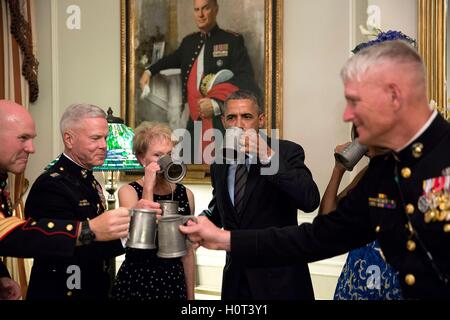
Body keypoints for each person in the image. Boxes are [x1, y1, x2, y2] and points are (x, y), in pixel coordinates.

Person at [181, 40, 450, 299]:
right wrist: (225, 239)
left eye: (356, 102)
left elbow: (306, 199)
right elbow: (318, 237)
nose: (347, 116)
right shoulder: (383, 171)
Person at [0, 100, 137, 300]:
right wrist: (97, 230)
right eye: (95, 138)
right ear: (69, 139)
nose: (104, 145)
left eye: (105, 138)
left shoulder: (88, 179)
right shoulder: (52, 185)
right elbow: (57, 251)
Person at [200, 90, 320, 300]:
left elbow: (310, 200)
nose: (239, 124)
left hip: (281, 280)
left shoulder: (286, 151)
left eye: (246, 117)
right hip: (236, 281)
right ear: (223, 122)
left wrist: (267, 157)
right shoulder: (220, 161)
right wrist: (195, 222)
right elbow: (221, 210)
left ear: (261, 120)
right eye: (232, 117)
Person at [140, 0, 258, 163]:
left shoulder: (231, 40)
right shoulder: (189, 42)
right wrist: (149, 71)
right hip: (193, 117)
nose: (200, 14)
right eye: (197, 10)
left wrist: (216, 104)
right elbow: (171, 59)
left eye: (205, 8)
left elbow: (245, 79)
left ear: (215, 9)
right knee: (188, 161)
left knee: (221, 164)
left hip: (218, 120)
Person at [111, 122, 195, 300]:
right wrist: (148, 187)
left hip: (173, 281)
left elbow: (187, 252)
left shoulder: (185, 194)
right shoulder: (128, 192)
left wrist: (191, 297)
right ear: (142, 158)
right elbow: (141, 240)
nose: (166, 160)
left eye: (169, 154)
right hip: (137, 280)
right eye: (157, 155)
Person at [319, 142, 403, 300]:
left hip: (392, 276)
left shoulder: (414, 172)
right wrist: (338, 169)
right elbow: (326, 220)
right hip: (359, 274)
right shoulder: (368, 175)